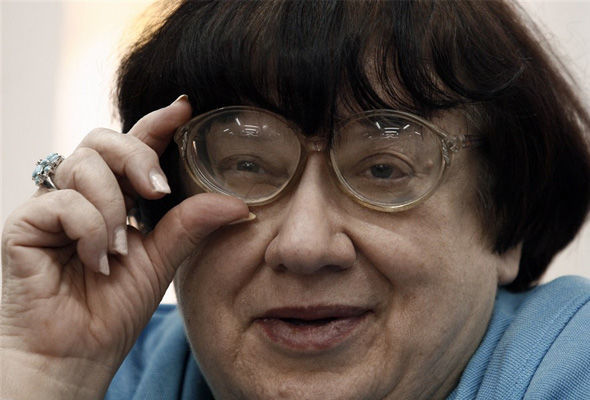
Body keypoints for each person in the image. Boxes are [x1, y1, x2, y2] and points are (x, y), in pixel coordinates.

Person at [2, 0, 590, 399]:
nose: (305, 246)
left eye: (383, 169)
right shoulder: (107, 363)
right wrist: (47, 378)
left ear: (508, 223)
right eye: (246, 166)